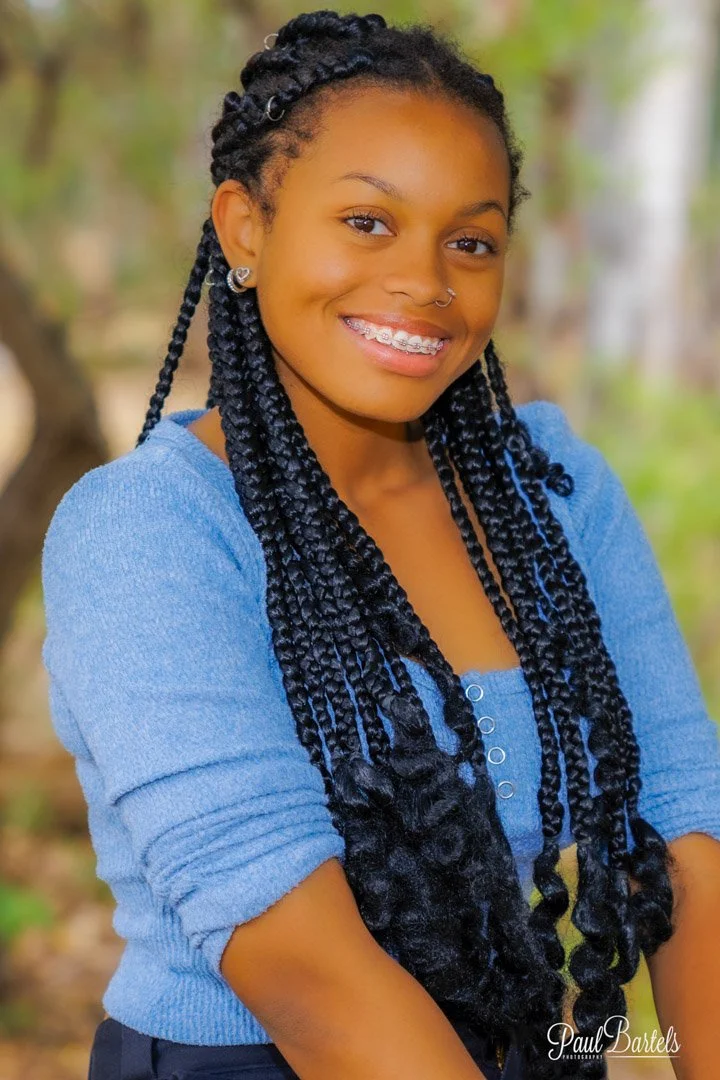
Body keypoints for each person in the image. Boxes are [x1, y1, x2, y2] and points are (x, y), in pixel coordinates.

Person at [40, 10, 720, 1080]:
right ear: (245, 228)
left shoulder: (553, 490)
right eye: (368, 222)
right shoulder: (150, 530)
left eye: (470, 241)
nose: (426, 281)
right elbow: (314, 981)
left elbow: (687, 834)